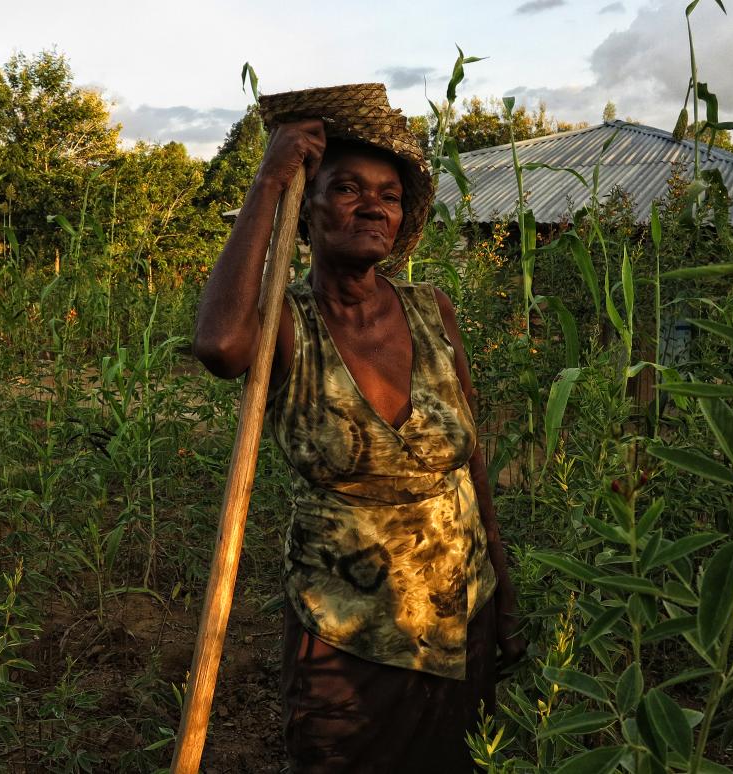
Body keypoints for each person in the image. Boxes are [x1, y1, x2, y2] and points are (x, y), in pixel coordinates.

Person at [193, 84, 524, 773]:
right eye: (346, 189)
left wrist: (503, 579)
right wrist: (269, 178)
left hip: (462, 610)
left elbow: (470, 459)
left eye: (389, 195)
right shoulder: (287, 324)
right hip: (345, 632)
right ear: (306, 211)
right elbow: (220, 347)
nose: (373, 206)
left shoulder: (432, 310)